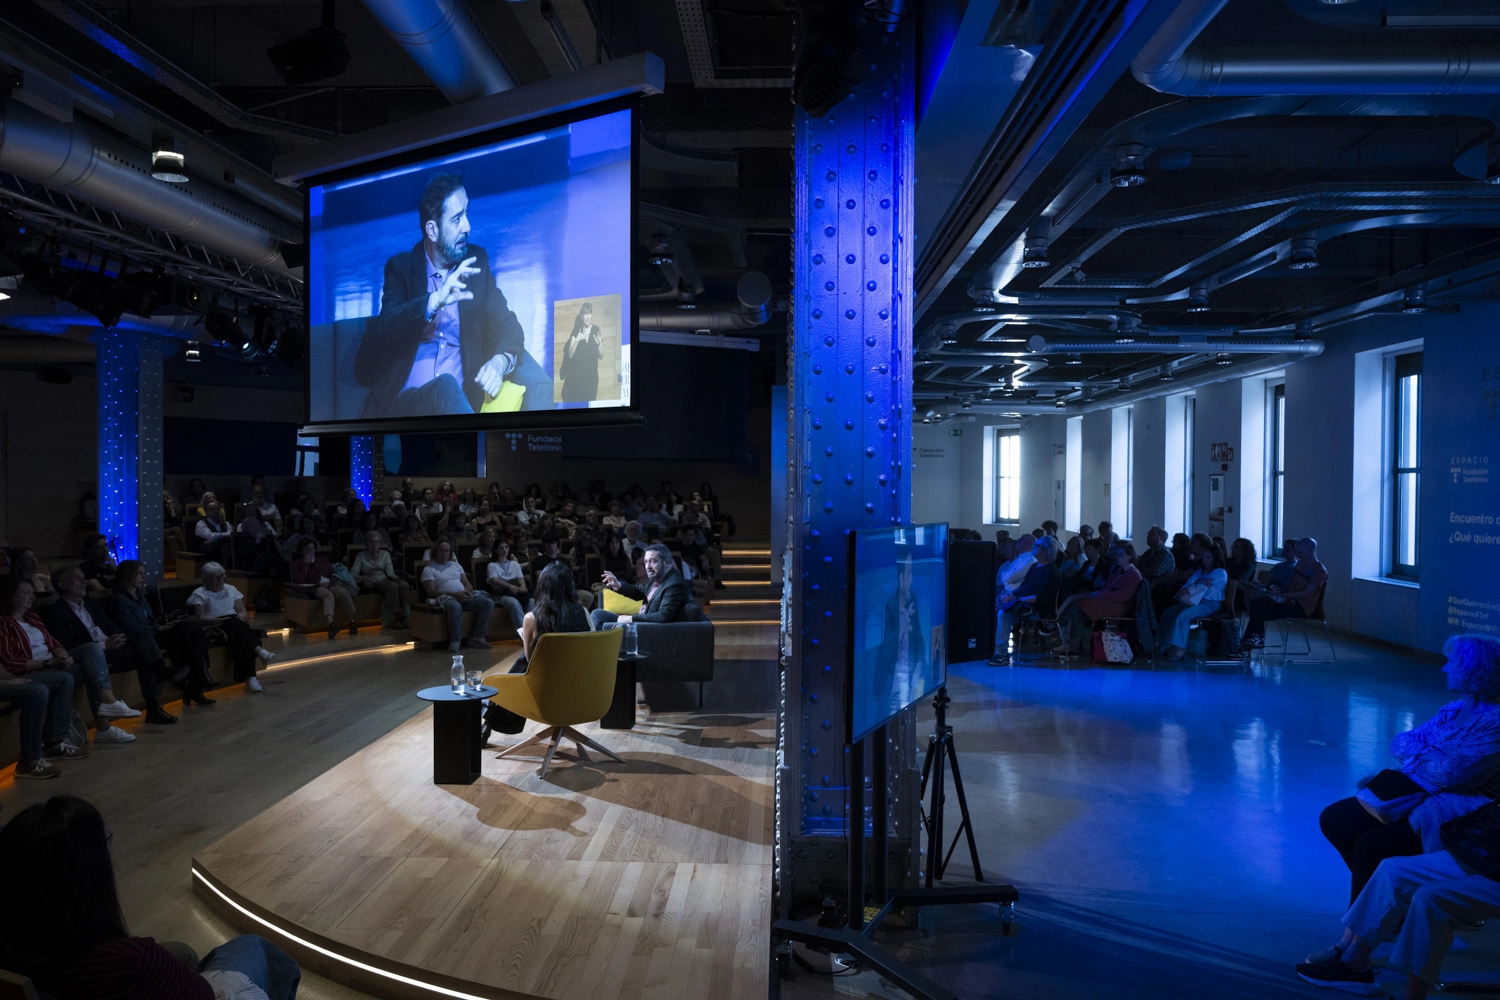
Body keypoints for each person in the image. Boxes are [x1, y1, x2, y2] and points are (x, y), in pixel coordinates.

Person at [0, 794, 301, 999]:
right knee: (254, 946)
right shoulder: (130, 961)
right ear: (85, 877)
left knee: (181, 951)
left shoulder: (14, 948)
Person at [1316, 634, 1500, 906]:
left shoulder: (1495, 722)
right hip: (1416, 793)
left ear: (1475, 670)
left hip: (1462, 811)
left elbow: (1454, 776)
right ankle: (1386, 903)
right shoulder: (1452, 710)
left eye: (1452, 663)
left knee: (1371, 845)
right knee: (1336, 819)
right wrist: (1433, 755)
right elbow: (1400, 740)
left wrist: (1424, 755)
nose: (1444, 668)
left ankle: (1367, 925)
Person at [355, 172, 552, 417]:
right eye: (457, 219)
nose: (467, 227)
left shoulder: (475, 264)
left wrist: (499, 363)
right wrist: (433, 302)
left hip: (457, 408)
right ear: (433, 230)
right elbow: (387, 325)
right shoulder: (402, 269)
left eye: (466, 214)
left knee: (449, 389)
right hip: (404, 408)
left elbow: (508, 324)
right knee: (444, 385)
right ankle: (476, 441)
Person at [1294, 843, 1500, 1000]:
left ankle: (1412, 996)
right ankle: (1352, 963)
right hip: (1489, 853)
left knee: (1430, 899)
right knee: (1393, 869)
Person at [43, 566, 174, 734]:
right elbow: (68, 645)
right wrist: (106, 646)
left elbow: (107, 624)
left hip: (111, 646)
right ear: (62, 585)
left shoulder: (91, 603)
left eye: (84, 578)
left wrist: (117, 636)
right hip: (91, 654)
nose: (84, 582)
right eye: (78, 579)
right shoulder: (55, 612)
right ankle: (155, 699)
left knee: (141, 637)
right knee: (142, 653)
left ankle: (156, 692)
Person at [0, 574, 81, 778]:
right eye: (25, 593)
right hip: (28, 670)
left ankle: (55, 742)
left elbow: (53, 642)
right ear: (10, 596)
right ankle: (30, 759)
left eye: (32, 593)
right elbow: (8, 662)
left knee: (76, 669)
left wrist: (61, 653)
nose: (31, 597)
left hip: (46, 666)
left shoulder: (33, 617)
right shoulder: (3, 623)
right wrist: (47, 663)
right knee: (41, 689)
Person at [108, 560, 214, 707]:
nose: (143, 577)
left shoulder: (141, 596)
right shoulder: (120, 601)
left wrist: (165, 623)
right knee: (188, 632)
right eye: (139, 574)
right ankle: (199, 679)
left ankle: (197, 680)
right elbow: (136, 630)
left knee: (191, 629)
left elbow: (151, 621)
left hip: (155, 635)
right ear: (127, 575)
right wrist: (163, 628)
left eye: (144, 574)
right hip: (142, 641)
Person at [188, 563, 274, 691]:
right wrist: (223, 620)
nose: (220, 580)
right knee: (237, 629)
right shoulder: (199, 593)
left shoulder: (231, 589)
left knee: (237, 628)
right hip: (214, 625)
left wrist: (239, 619)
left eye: (222, 577)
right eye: (216, 578)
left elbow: (243, 612)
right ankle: (255, 665)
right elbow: (200, 618)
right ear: (206, 579)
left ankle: (252, 678)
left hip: (235, 623)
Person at [1051, 541, 1143, 656]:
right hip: (1108, 601)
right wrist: (1101, 591)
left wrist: (1100, 593)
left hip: (1119, 606)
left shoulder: (1133, 574)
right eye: (1117, 554)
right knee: (1077, 615)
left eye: (1121, 555)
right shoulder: (1119, 570)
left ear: (1130, 556)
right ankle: (1074, 648)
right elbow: (1108, 586)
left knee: (1078, 602)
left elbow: (1122, 596)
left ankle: (1056, 625)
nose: (1118, 557)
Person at [1242, 536, 1330, 649]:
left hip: (1302, 607)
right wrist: (1279, 591)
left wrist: (1281, 595)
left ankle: (1246, 647)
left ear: (1312, 551)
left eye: (1300, 552)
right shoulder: (1300, 564)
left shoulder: (1320, 571)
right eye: (1297, 552)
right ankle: (1254, 639)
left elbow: (1305, 593)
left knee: (1258, 611)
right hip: (1288, 601)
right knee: (1257, 605)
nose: (1297, 555)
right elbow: (1292, 587)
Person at [989, 536, 1058, 666]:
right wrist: (1011, 595)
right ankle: (992, 648)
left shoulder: (1050, 572)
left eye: (1037, 546)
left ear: (1045, 552)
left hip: (1039, 607)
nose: (1034, 548)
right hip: (1027, 601)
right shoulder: (1036, 566)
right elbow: (1025, 586)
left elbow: (1041, 598)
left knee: (1004, 613)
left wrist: (1015, 598)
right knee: (1000, 604)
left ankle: (1001, 653)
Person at [1158, 540, 1229, 660]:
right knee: (1168, 614)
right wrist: (1195, 583)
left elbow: (1204, 587)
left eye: (1208, 557)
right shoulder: (1201, 571)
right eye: (1204, 556)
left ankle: (1180, 649)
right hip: (1193, 602)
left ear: (1215, 558)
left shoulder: (1220, 573)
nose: (1205, 559)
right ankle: (1166, 643)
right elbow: (1189, 583)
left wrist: (1194, 584)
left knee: (1184, 616)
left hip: (1210, 604)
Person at [420, 536, 494, 652]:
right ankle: (455, 640)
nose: (445, 553)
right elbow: (431, 592)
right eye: (442, 550)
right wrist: (455, 595)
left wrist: (467, 592)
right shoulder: (429, 569)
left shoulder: (456, 565)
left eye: (447, 551)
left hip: (463, 596)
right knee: (454, 606)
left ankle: (477, 636)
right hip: (447, 599)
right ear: (435, 551)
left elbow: (467, 583)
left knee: (487, 603)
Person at [592, 542, 689, 629]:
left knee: (600, 620)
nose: (647, 567)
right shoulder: (658, 578)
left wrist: (630, 619)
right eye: (646, 562)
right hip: (641, 622)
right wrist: (618, 585)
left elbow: (663, 616)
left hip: (648, 629)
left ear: (667, 562)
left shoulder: (675, 584)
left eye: (653, 561)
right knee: (597, 614)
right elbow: (638, 591)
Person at [290, 537, 357, 639]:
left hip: (330, 584)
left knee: (344, 593)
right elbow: (300, 580)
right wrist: (305, 565)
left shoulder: (322, 559)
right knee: (328, 595)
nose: (310, 551)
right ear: (302, 551)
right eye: (307, 549)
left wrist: (332, 584)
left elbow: (333, 573)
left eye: (312, 548)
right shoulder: (298, 563)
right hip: (315, 587)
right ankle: (331, 625)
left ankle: (352, 622)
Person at [352, 530, 410, 629]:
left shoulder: (385, 554)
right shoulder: (361, 556)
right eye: (372, 542)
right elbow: (353, 574)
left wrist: (376, 579)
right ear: (366, 544)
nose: (375, 545)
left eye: (377, 542)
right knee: (392, 586)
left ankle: (404, 617)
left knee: (404, 585)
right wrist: (364, 578)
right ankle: (394, 618)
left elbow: (390, 572)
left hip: (387, 577)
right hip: (371, 580)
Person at [559, 300, 603, 402]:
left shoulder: (596, 330)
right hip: (577, 379)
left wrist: (600, 343)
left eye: (589, 313)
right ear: (582, 316)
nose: (587, 317)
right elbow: (570, 354)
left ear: (591, 315)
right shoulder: (576, 331)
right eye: (585, 314)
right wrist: (577, 340)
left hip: (592, 378)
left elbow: (601, 356)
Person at [80, 533, 119, 598]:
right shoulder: (86, 568)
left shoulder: (111, 567)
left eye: (106, 546)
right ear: (89, 551)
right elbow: (101, 592)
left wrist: (117, 571)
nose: (105, 550)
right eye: (99, 547)